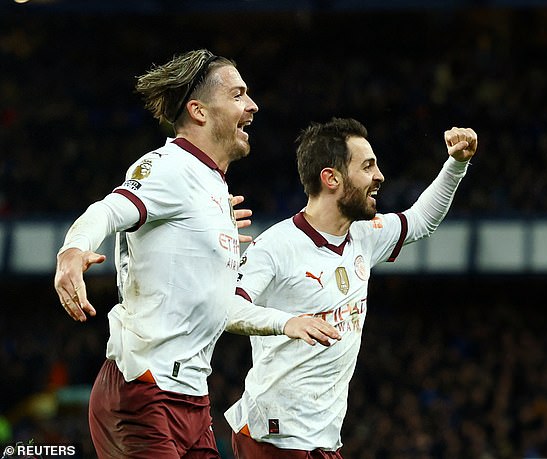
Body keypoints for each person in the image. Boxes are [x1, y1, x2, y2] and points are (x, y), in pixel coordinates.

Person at [53, 49, 339, 459]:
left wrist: (286, 322)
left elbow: (220, 307)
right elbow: (108, 210)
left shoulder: (213, 189)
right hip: (142, 390)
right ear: (199, 111)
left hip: (192, 400)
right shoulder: (168, 166)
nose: (253, 105)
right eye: (238, 95)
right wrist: (73, 251)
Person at [224, 117, 477, 458]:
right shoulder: (275, 247)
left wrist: (456, 164)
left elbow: (420, 221)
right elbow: (228, 310)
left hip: (323, 438)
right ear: (331, 178)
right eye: (367, 166)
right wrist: (287, 322)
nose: (379, 176)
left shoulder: (363, 235)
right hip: (274, 438)